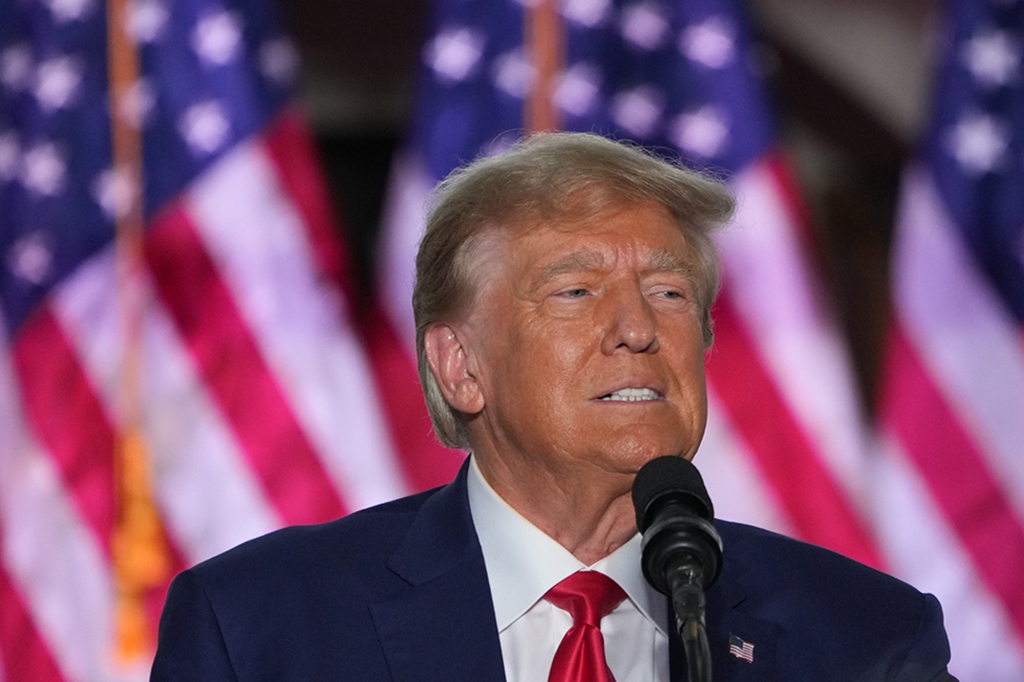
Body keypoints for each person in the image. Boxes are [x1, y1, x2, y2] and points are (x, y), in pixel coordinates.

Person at [150, 132, 955, 681]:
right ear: (461, 366)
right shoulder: (261, 629)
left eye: (670, 292)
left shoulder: (864, 640)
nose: (640, 329)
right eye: (576, 291)